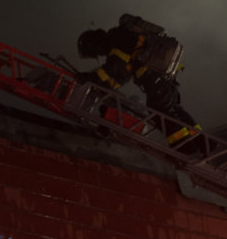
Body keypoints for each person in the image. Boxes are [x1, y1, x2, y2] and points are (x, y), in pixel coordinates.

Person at [76, 13, 200, 144]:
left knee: (160, 113)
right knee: (174, 108)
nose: (100, 54)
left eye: (96, 52)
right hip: (165, 75)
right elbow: (121, 76)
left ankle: (184, 146)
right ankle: (201, 140)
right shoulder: (123, 36)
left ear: (95, 44)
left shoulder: (117, 41)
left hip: (153, 77)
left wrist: (90, 77)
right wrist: (104, 86)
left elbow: (115, 69)